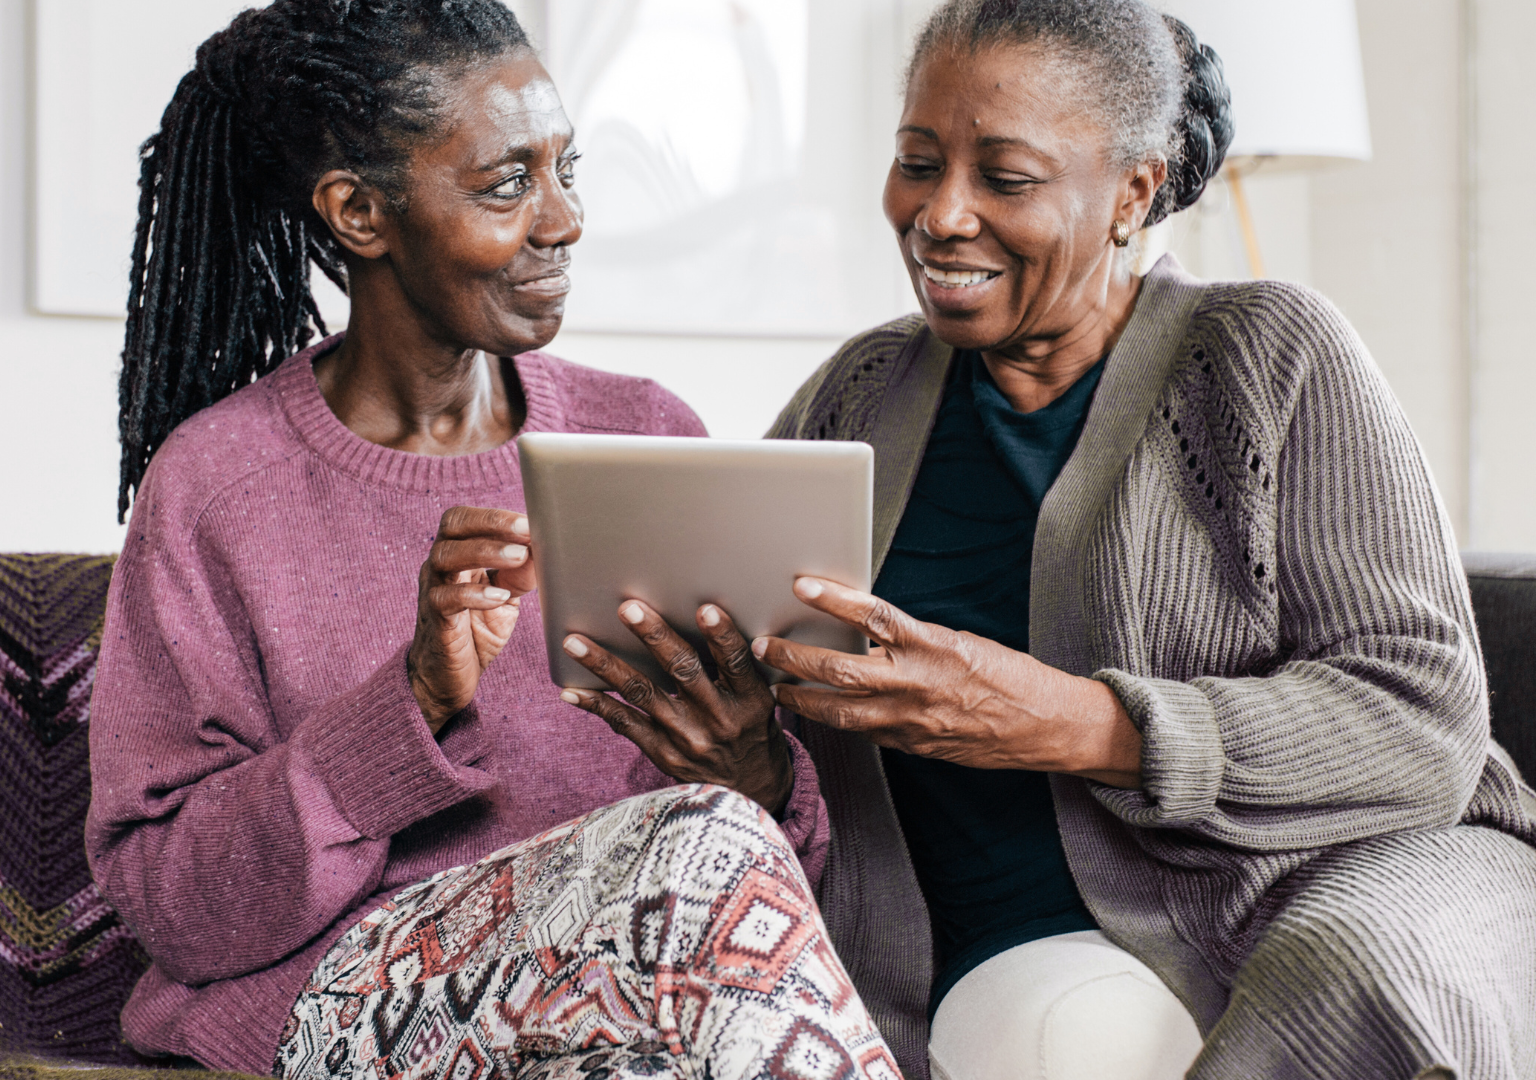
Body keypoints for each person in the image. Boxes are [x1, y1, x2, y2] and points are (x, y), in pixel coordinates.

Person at [559, 1, 1536, 1077]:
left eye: (1006, 179)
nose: (940, 215)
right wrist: (748, 764)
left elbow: (1422, 723)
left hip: (1337, 877)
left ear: (1136, 189)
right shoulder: (855, 395)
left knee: (1348, 971)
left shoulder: (1266, 353)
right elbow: (786, 755)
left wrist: (1074, 723)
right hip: (989, 947)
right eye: (917, 163)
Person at [83, 4, 900, 1079]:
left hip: (618, 999)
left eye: (569, 170)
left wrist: (747, 768)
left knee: (693, 899)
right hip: (337, 1001)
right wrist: (413, 699)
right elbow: (173, 907)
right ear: (361, 212)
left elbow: (749, 900)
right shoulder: (218, 486)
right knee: (702, 845)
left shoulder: (647, 434)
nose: (562, 220)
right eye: (508, 183)